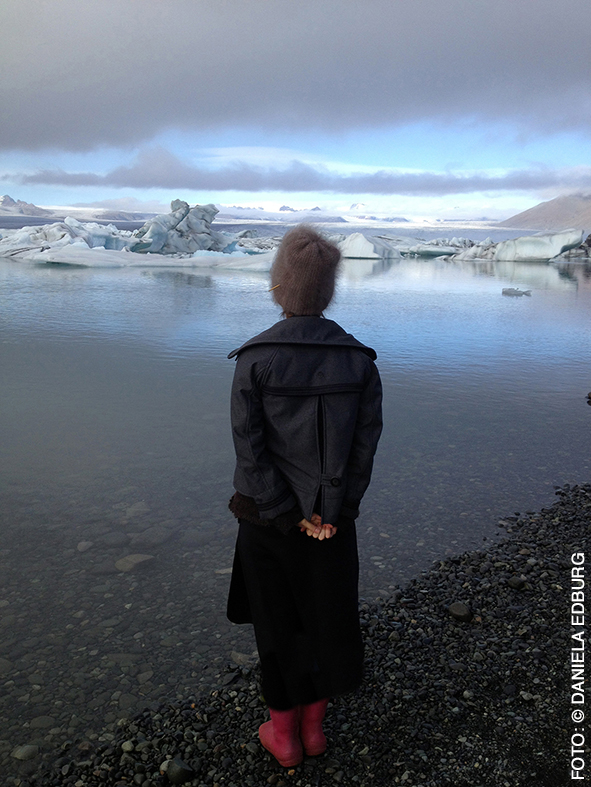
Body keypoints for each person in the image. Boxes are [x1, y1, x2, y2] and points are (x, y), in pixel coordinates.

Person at [226, 225, 383, 767]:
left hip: (268, 524)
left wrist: (285, 514)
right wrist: (336, 512)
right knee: (326, 617)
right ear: (328, 289)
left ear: (279, 287)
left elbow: (252, 451)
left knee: (278, 623)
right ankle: (315, 732)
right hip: (334, 520)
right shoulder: (359, 360)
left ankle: (286, 738)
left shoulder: (256, 359)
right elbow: (365, 447)